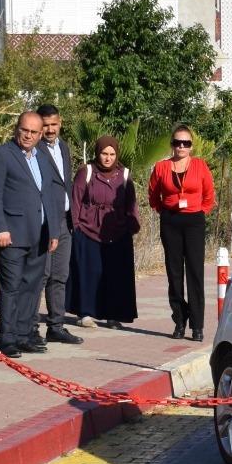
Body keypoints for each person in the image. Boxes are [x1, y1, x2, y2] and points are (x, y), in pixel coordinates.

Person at [0, 111, 64, 357]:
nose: (28, 135)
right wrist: (0, 228)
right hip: (12, 235)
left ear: (40, 134)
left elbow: (48, 195)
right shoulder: (1, 155)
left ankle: (25, 334)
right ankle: (7, 338)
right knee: (11, 287)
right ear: (17, 129)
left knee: (32, 287)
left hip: (39, 234)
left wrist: (53, 231)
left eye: (33, 132)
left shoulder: (42, 158)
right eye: (24, 130)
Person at [148, 124, 216, 341]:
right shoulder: (161, 167)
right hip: (171, 221)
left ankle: (197, 325)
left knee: (195, 273)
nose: (181, 147)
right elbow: (153, 195)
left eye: (186, 143)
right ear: (172, 145)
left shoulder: (200, 166)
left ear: (191, 146)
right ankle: (179, 319)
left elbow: (209, 195)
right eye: (177, 142)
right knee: (174, 273)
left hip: (194, 221)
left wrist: (200, 211)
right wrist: (165, 211)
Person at [69, 136, 142, 327]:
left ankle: (113, 314)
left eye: (112, 154)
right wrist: (76, 226)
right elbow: (76, 200)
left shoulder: (124, 174)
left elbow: (131, 204)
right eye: (104, 153)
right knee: (89, 272)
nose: (108, 158)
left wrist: (132, 226)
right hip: (88, 229)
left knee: (115, 274)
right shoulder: (86, 172)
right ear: (97, 153)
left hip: (117, 231)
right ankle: (85, 313)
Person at [35, 104, 83, 345]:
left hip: (65, 220)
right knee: (41, 275)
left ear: (60, 123)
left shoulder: (62, 147)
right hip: (45, 220)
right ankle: (30, 327)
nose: (50, 130)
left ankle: (56, 326)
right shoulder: (34, 149)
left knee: (60, 275)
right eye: (45, 125)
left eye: (54, 124)